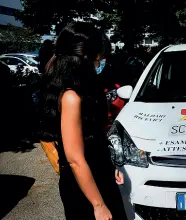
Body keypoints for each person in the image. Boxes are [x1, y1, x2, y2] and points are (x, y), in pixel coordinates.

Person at [38, 22, 127, 220]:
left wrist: (108, 168)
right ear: (84, 57)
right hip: (84, 190)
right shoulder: (71, 97)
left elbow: (92, 141)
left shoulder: (85, 90)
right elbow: (75, 160)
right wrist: (98, 205)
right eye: (98, 58)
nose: (100, 62)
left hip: (97, 176)